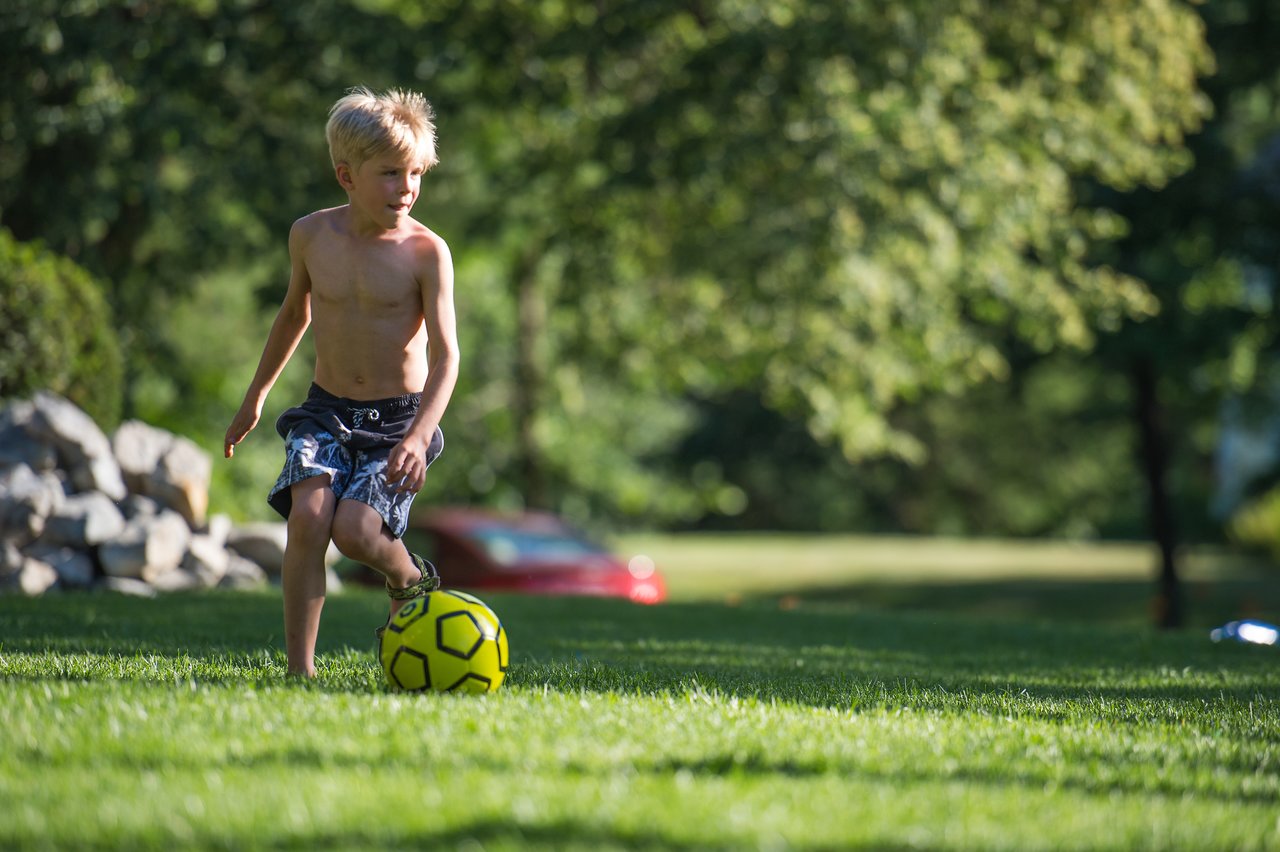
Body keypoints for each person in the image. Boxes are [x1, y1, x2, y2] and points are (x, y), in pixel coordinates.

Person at [223, 86, 460, 678]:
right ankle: (299, 672)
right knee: (308, 520)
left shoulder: (427, 253)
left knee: (355, 532)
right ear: (345, 175)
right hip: (326, 410)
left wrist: (416, 437)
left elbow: (448, 358)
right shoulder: (310, 236)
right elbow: (293, 315)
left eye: (415, 174)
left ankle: (409, 578)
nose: (406, 188)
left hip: (399, 421)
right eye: (389, 174)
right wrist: (255, 397)